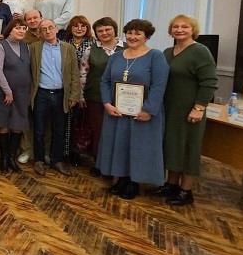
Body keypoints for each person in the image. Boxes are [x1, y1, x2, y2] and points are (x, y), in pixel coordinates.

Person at [97, 19, 169, 199]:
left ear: (147, 36)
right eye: (129, 32)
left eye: (138, 33)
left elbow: (159, 86)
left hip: (142, 114)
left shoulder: (156, 56)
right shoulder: (116, 56)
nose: (132, 36)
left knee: (139, 146)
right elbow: (105, 81)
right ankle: (121, 179)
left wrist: (148, 110)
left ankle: (134, 182)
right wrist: (107, 103)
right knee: (120, 145)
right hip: (118, 112)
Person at [152, 15, 218, 205]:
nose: (179, 30)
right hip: (169, 108)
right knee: (173, 146)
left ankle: (186, 191)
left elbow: (210, 82)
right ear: (170, 30)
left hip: (190, 109)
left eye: (184, 27)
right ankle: (171, 184)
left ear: (193, 30)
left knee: (189, 148)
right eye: (175, 26)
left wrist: (199, 108)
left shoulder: (200, 51)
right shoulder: (168, 52)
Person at [28, 19, 81, 177]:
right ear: (40, 32)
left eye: (50, 27)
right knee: (39, 130)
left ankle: (56, 160)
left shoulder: (68, 48)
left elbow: (74, 73)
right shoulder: (34, 48)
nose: (48, 31)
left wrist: (74, 95)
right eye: (43, 29)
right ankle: (39, 160)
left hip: (61, 95)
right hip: (41, 94)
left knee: (59, 130)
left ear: (56, 29)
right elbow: (29, 72)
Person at [0, 19, 31, 174]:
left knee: (18, 125)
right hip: (4, 93)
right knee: (4, 125)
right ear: (10, 30)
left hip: (22, 93)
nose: (21, 31)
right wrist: (8, 91)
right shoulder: (1, 47)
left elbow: (28, 70)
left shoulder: (26, 46)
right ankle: (4, 159)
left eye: (23, 28)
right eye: (18, 28)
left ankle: (12, 159)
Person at [84, 17, 124, 177]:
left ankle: (116, 165)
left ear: (114, 29)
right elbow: (83, 73)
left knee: (117, 132)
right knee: (98, 131)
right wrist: (80, 95)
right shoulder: (91, 49)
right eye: (100, 31)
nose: (104, 33)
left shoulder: (127, 48)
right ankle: (99, 162)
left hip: (122, 98)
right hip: (95, 96)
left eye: (107, 29)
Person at [64, 15, 95, 167]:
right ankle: (69, 152)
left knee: (84, 122)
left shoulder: (93, 44)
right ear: (71, 28)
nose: (79, 28)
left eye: (83, 26)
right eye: (76, 26)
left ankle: (83, 153)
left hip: (86, 88)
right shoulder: (64, 43)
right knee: (68, 122)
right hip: (67, 88)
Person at [16, 8, 45, 164]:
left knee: (45, 121)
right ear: (25, 22)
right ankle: (27, 149)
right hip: (27, 82)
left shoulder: (49, 34)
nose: (33, 21)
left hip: (46, 83)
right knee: (26, 118)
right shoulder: (22, 37)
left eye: (36, 17)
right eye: (29, 19)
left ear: (41, 18)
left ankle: (45, 151)